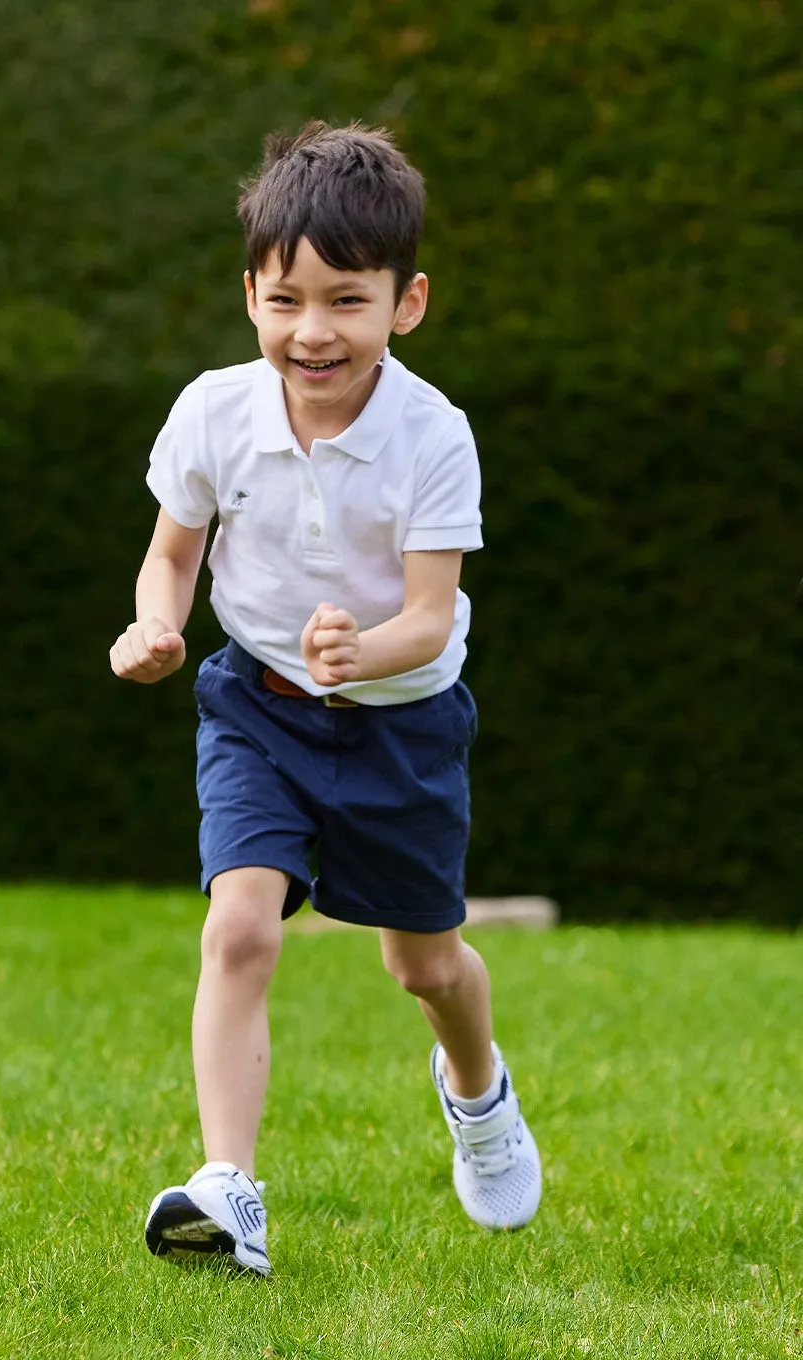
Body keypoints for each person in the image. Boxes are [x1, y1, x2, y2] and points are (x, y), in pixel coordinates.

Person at [109, 121, 541, 1278]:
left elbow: (433, 615)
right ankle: (228, 1189)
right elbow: (171, 555)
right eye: (286, 298)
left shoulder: (433, 436)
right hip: (255, 704)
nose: (312, 331)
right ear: (249, 292)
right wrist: (156, 621)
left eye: (345, 301)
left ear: (406, 304)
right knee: (240, 924)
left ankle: (478, 1092)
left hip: (402, 721)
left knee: (424, 967)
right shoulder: (211, 413)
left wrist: (369, 651)